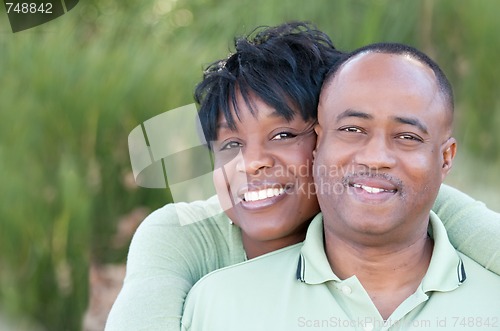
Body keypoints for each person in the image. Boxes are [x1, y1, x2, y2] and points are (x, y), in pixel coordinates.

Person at [106, 23, 500, 331]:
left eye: (282, 135)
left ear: (323, 139)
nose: (250, 163)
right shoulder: (185, 238)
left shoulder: (389, 197)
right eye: (229, 145)